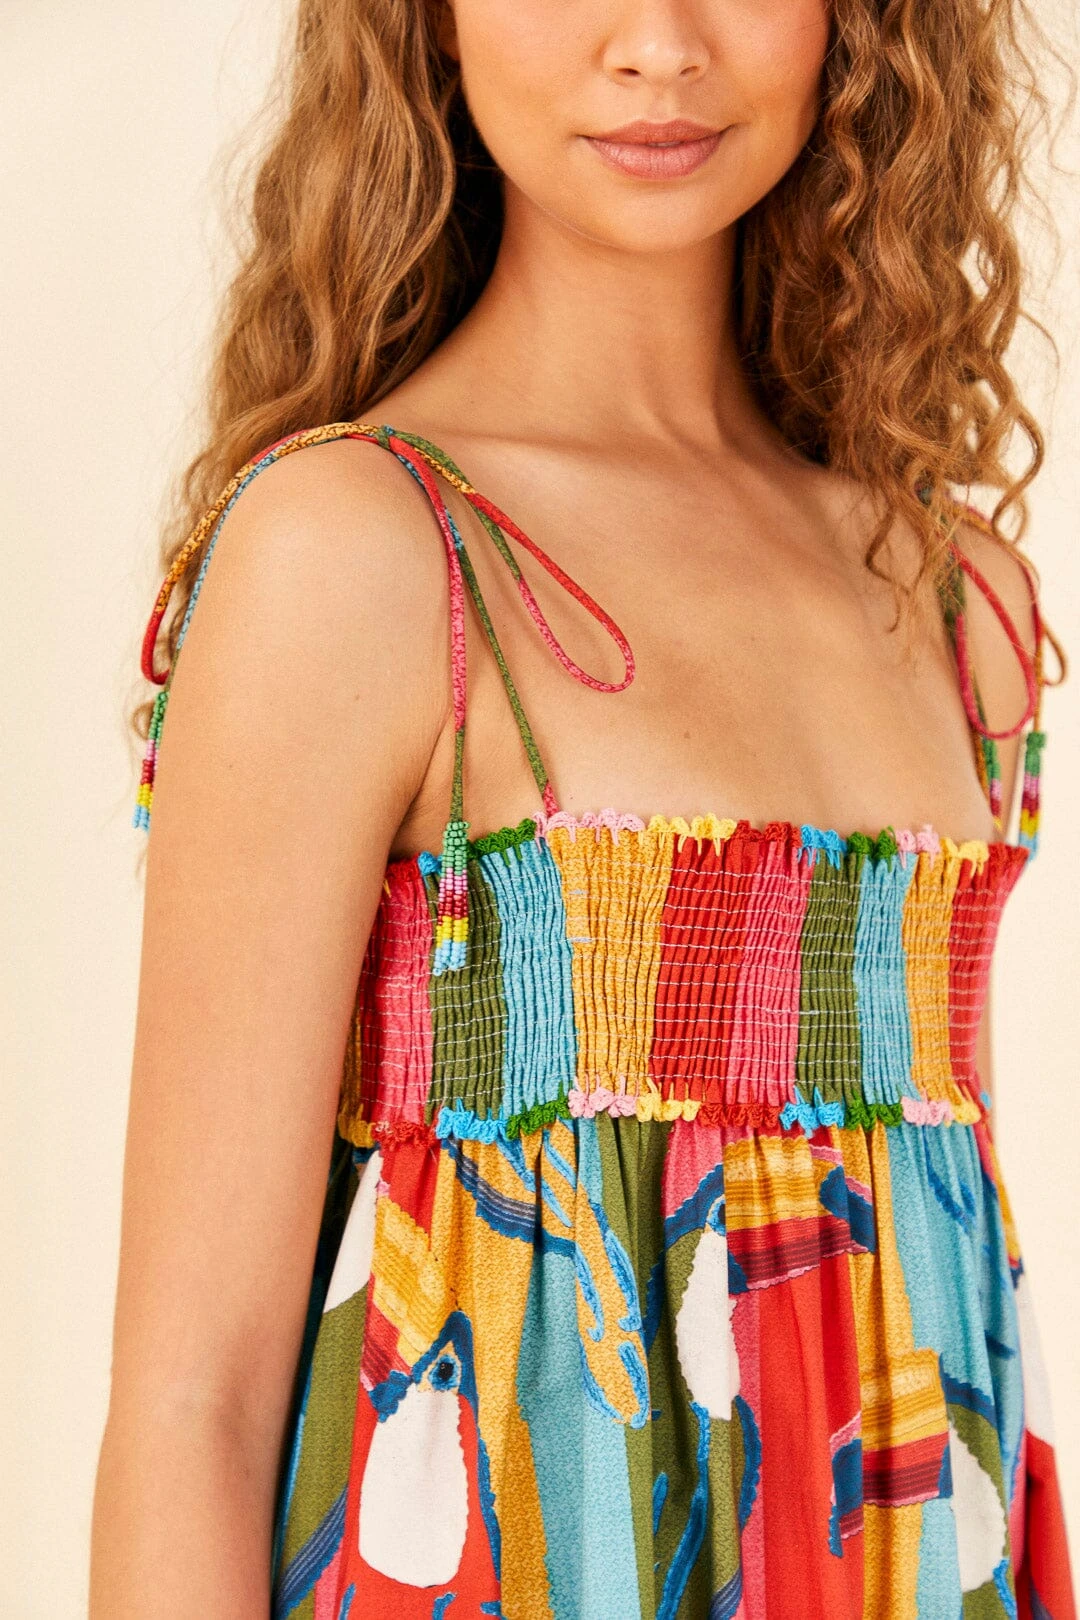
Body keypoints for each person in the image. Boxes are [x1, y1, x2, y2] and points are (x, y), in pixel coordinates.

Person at [90, 1, 1076, 1616]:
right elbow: (194, 1401)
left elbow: (950, 1312)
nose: (659, 44)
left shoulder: (955, 600)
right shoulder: (359, 551)